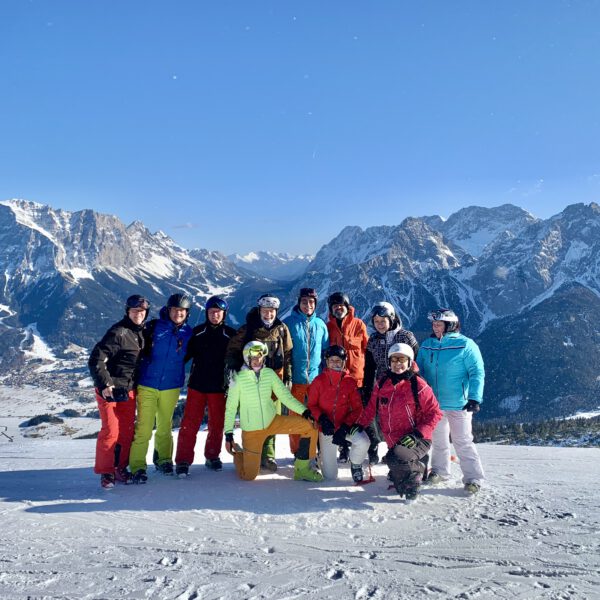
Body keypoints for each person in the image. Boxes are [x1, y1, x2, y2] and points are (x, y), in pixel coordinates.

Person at [224, 341, 323, 482]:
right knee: (249, 476)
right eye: (253, 358)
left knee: (309, 426)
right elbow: (231, 408)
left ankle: (302, 469)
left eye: (260, 357)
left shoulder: (269, 374)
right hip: (252, 431)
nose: (257, 361)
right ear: (247, 358)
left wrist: (305, 412)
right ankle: (240, 454)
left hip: (273, 421)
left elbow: (285, 397)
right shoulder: (238, 379)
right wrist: (228, 434)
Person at [358, 343, 442, 501]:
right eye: (394, 360)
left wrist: (418, 434)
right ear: (389, 362)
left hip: (418, 438)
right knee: (393, 461)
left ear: (409, 362)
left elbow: (435, 413)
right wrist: (358, 426)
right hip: (394, 440)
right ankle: (414, 466)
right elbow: (370, 408)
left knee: (396, 459)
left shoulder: (417, 384)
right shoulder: (383, 384)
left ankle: (415, 475)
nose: (398, 364)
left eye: (402, 360)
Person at [416, 308, 485, 494]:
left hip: (459, 403)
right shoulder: (427, 345)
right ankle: (439, 471)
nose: (435, 327)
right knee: (438, 441)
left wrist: (474, 398)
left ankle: (473, 478)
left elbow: (477, 372)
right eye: (434, 324)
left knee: (462, 441)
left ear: (450, 325)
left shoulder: (466, 345)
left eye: (439, 324)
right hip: (434, 404)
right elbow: (418, 371)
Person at [129, 293, 193, 483]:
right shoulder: (154, 327)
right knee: (144, 428)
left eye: (182, 311)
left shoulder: (189, 333)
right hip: (147, 383)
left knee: (165, 427)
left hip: (171, 386)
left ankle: (164, 459)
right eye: (175, 310)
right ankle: (138, 466)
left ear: (187, 313)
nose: (178, 314)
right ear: (169, 310)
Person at [224, 293, 293, 472]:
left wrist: (288, 377)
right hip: (252, 381)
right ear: (259, 310)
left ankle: (268, 455)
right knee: (251, 419)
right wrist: (234, 368)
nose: (268, 314)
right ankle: (251, 452)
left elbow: (288, 355)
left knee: (272, 419)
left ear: (276, 312)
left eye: (272, 311)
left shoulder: (282, 329)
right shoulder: (248, 329)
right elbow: (233, 349)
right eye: (265, 310)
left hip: (274, 381)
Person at [88, 294, 149, 489]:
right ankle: (106, 472)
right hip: (110, 391)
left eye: (141, 311)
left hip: (128, 391)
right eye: (134, 311)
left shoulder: (142, 332)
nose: (138, 314)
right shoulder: (119, 332)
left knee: (126, 432)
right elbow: (96, 359)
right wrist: (105, 384)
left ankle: (120, 468)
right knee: (111, 431)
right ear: (127, 312)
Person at [174, 295, 236, 477]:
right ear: (207, 313)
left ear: (224, 314)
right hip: (197, 385)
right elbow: (184, 356)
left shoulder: (231, 335)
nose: (214, 315)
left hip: (219, 387)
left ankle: (212, 456)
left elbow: (239, 357)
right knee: (189, 424)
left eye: (218, 312)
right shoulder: (198, 332)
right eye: (211, 312)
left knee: (216, 424)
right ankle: (183, 460)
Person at [362, 301, 420, 465]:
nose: (379, 325)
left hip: (405, 386)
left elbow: (416, 361)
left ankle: (407, 455)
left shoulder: (405, 336)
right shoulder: (373, 339)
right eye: (376, 321)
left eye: (383, 321)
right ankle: (392, 452)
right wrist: (368, 388)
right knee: (386, 420)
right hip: (384, 385)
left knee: (404, 420)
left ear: (392, 318)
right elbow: (369, 367)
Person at [307, 345, 369, 482]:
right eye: (332, 360)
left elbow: (358, 409)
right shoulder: (319, 381)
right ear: (327, 362)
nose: (335, 363)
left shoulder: (350, 382)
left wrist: (345, 427)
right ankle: (321, 458)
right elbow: (311, 405)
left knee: (363, 442)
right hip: (327, 429)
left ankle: (356, 464)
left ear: (344, 362)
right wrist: (322, 419)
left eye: (338, 361)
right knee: (330, 476)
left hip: (344, 427)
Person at [283, 287, 329, 454]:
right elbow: (284, 352)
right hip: (296, 380)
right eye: (304, 301)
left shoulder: (320, 325)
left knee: (316, 416)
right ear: (299, 303)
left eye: (311, 302)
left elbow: (325, 351)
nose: (307, 305)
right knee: (295, 417)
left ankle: (314, 449)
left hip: (316, 380)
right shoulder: (289, 323)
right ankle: (297, 452)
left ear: (315, 304)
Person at [326, 291, 368, 463]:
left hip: (357, 378)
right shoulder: (328, 327)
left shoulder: (359, 325)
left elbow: (367, 349)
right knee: (341, 414)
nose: (338, 308)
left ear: (347, 306)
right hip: (338, 380)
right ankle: (344, 448)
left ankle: (368, 448)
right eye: (335, 306)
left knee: (359, 414)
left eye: (341, 305)